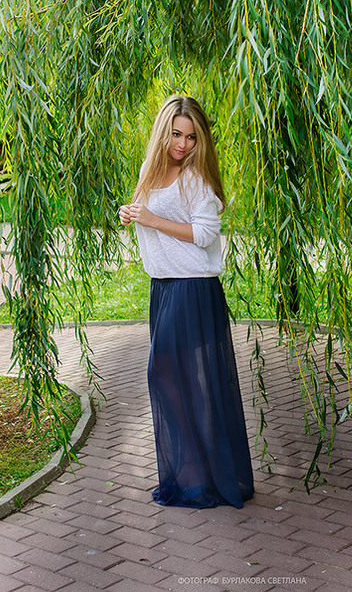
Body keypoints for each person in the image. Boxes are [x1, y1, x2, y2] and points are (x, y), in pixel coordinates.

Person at [119, 95, 254, 508]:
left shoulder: (195, 178)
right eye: (176, 134)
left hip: (192, 285)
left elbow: (206, 233)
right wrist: (132, 214)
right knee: (176, 378)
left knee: (169, 373)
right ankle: (197, 472)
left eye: (191, 137)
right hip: (163, 286)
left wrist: (152, 219)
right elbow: (151, 218)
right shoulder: (150, 170)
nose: (183, 144)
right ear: (163, 132)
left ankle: (203, 473)